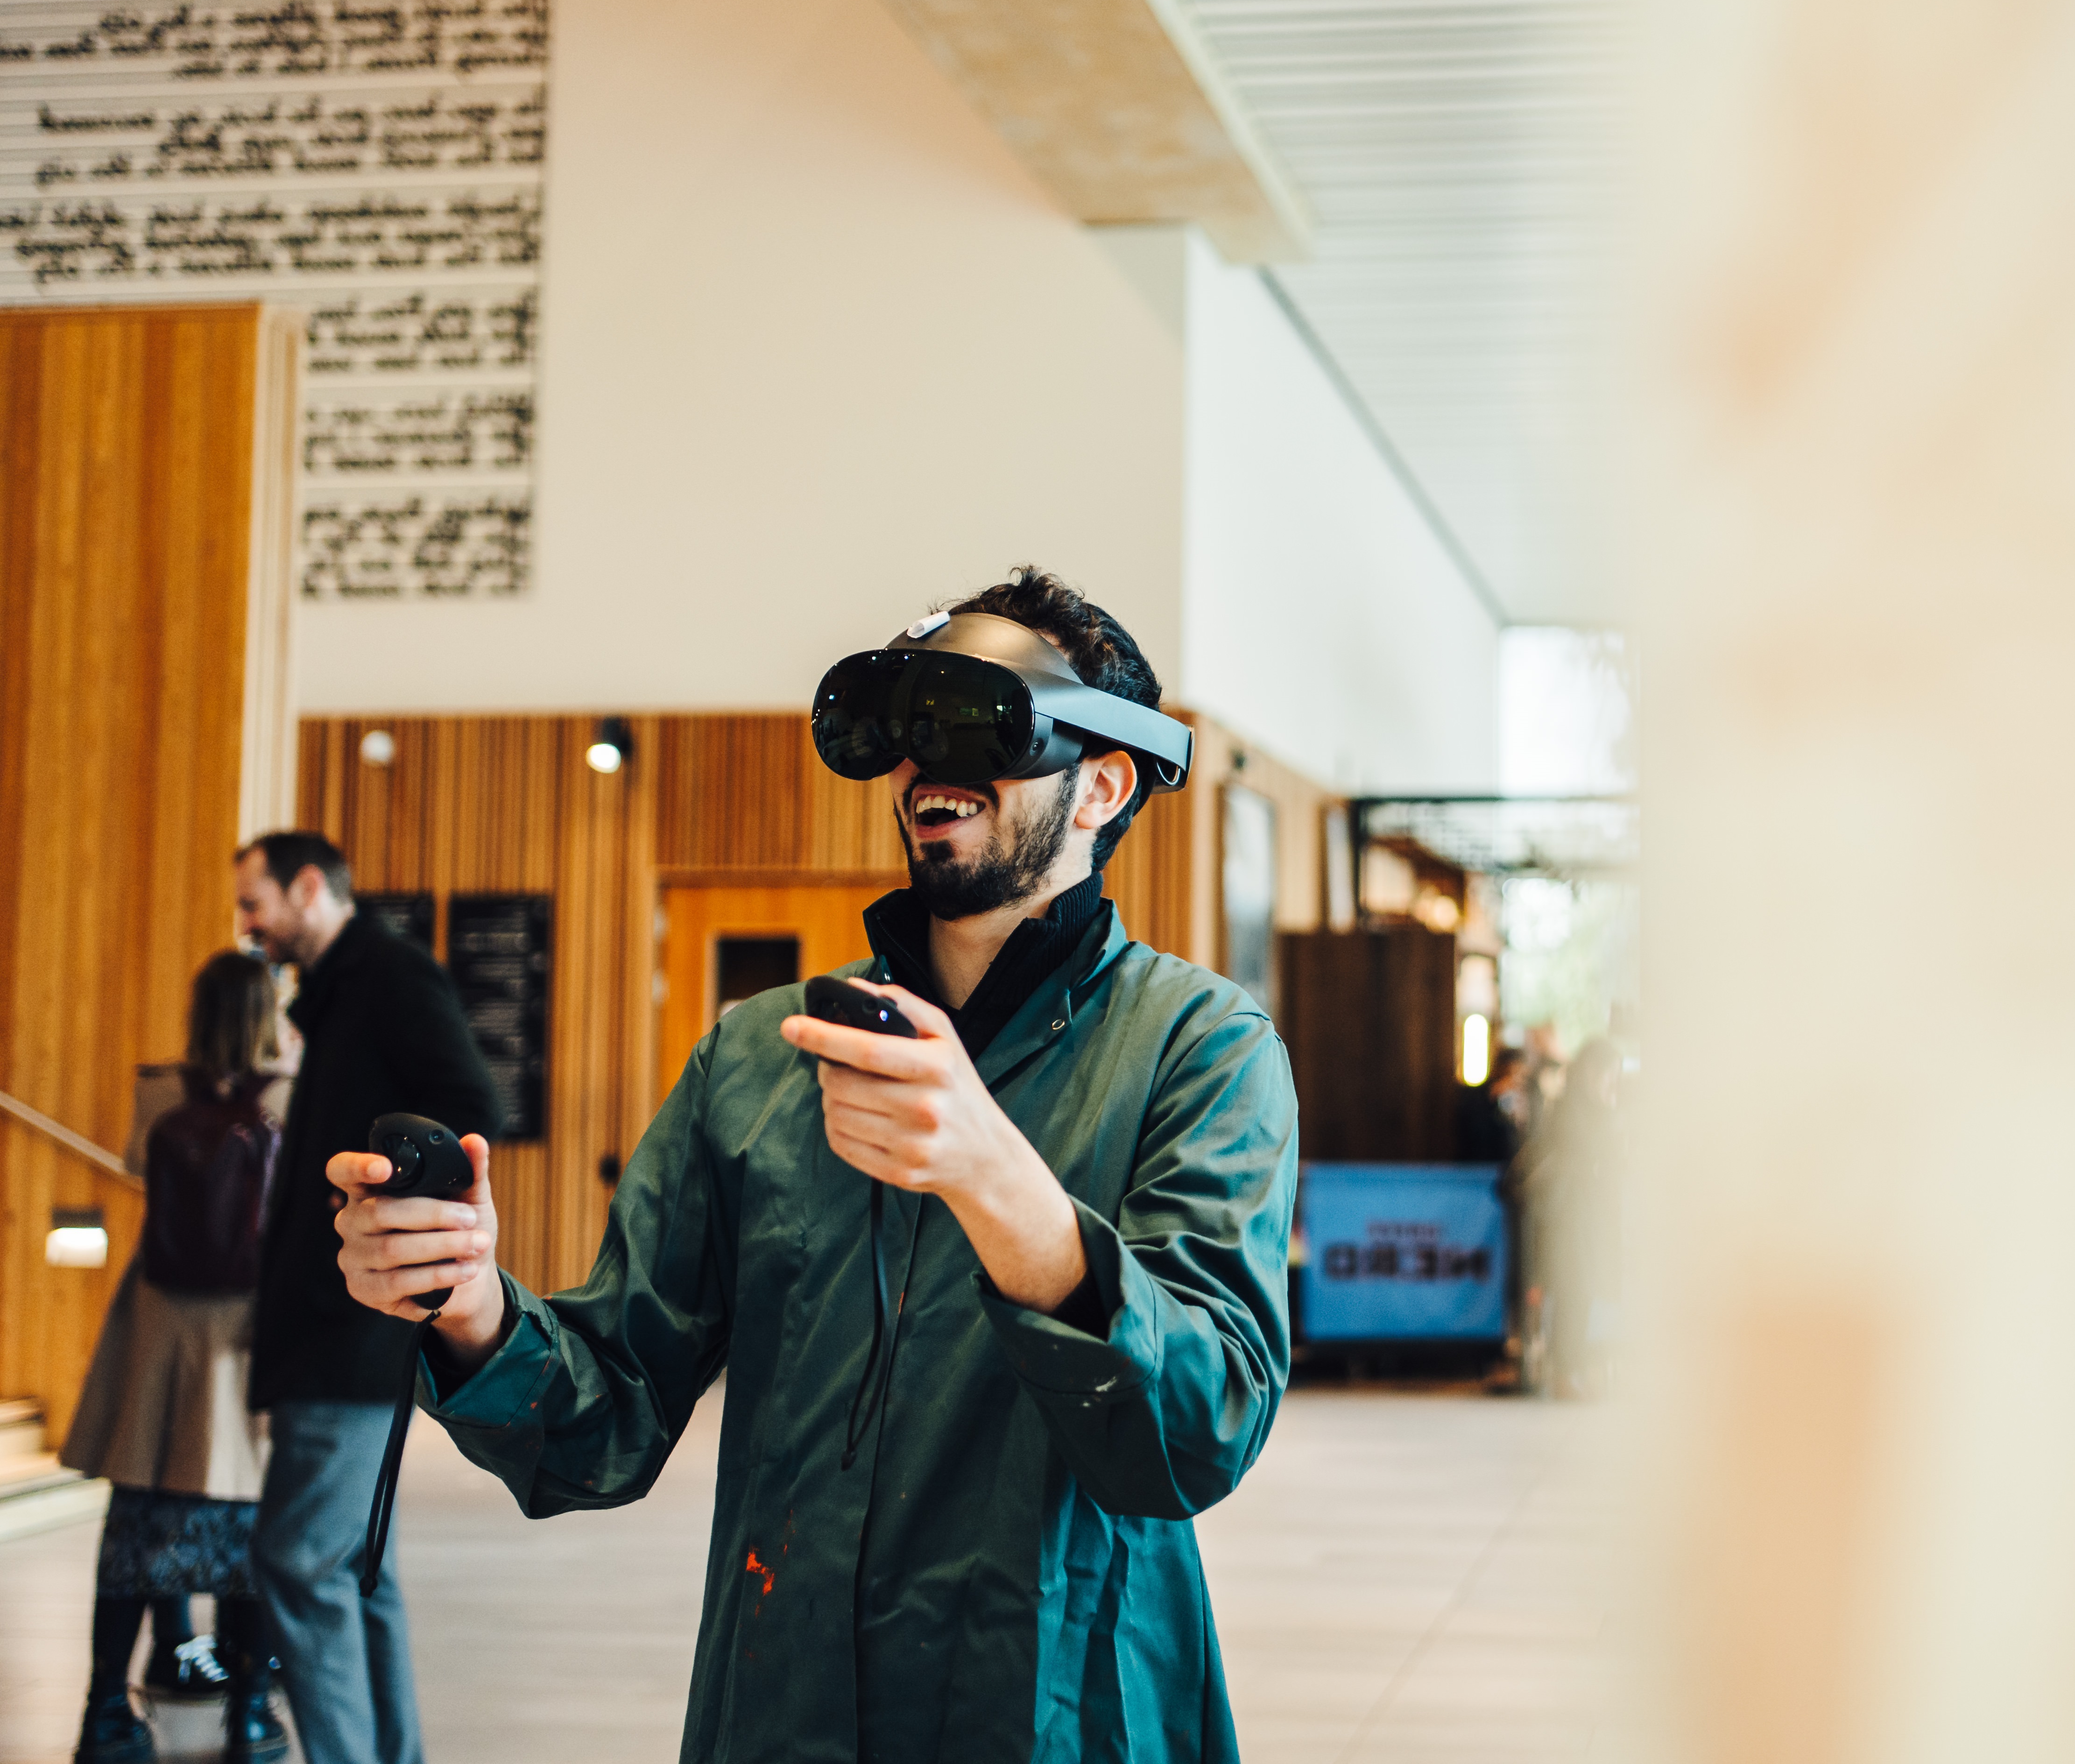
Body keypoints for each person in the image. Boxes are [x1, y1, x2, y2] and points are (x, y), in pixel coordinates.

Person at [333, 569, 1299, 1764]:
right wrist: (469, 1305)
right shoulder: (763, 1054)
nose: (922, 765)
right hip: (784, 1705)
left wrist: (1000, 1183)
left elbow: (1200, 1431)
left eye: (981, 723)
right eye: (903, 730)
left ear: (1102, 780)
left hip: (1058, 1703)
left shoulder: (1200, 1047)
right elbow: (608, 1413)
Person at [236, 832, 503, 1764]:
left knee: (300, 1562)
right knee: (355, 1566)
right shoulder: (345, 991)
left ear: (310, 887)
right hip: (340, 1321)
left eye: (255, 901)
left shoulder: (387, 975)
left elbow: (474, 1105)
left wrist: (390, 1203)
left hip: (344, 1324)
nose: (248, 924)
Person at [63, 950, 296, 1763]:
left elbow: (136, 1165)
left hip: (160, 1331)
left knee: (135, 1528)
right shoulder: (292, 1100)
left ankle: (102, 1713)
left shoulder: (158, 1092)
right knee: (249, 1525)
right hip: (248, 1333)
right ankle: (251, 1717)